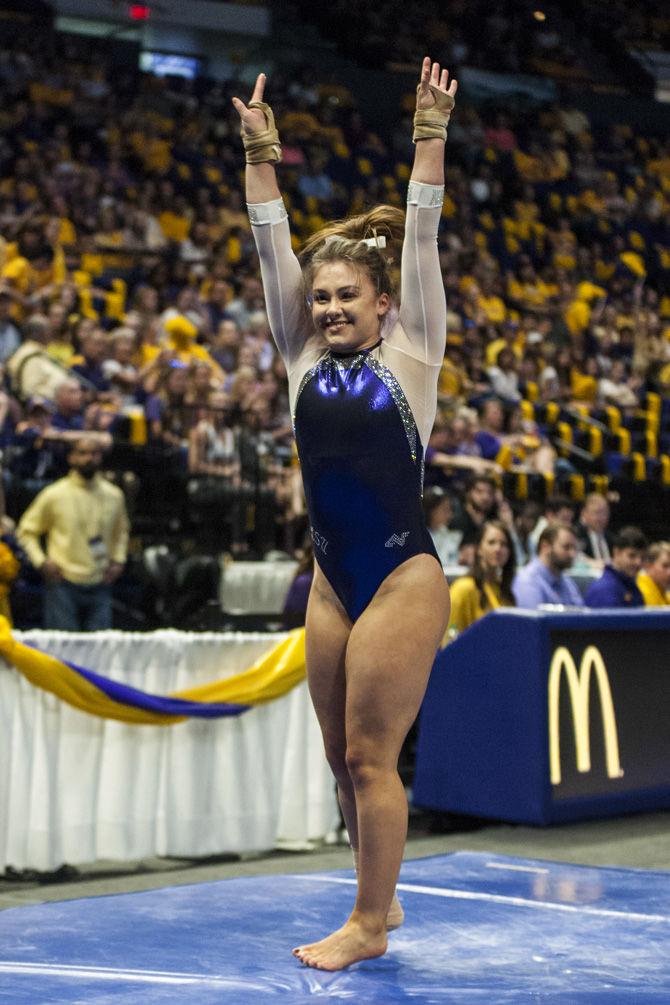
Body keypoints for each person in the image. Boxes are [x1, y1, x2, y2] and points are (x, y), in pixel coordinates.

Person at [233, 57, 456, 970]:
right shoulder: (297, 355)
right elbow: (266, 242)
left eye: (343, 297)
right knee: (338, 758)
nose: (326, 307)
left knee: (372, 757)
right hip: (332, 578)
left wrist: (429, 136)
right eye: (318, 297)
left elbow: (424, 240)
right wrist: (259, 152)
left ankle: (365, 924)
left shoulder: (415, 352)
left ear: (381, 306)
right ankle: (383, 896)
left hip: (402, 576)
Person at [17, 437, 129, 630]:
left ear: (101, 457)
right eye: (83, 453)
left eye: (94, 453)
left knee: (99, 651)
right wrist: (41, 561)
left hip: (100, 579)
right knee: (63, 651)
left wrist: (118, 560)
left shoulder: (114, 495)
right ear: (71, 458)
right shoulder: (54, 494)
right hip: (62, 581)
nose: (89, 458)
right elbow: (26, 531)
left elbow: (122, 532)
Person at [445, 520, 516, 637]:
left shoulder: (506, 592)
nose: (498, 549)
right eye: (491, 542)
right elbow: (449, 638)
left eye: (504, 544)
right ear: (478, 549)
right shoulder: (463, 588)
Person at [512, 524, 585, 608]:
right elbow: (532, 620)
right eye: (566, 547)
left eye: (574, 548)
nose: (572, 554)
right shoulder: (527, 582)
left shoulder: (566, 581)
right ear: (545, 546)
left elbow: (581, 615)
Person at [583, 526, 647, 608]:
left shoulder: (632, 587)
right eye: (632, 556)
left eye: (642, 557)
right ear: (617, 553)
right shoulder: (604, 591)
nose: (638, 562)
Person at [576, 492, 612, 565]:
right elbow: (574, 557)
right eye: (596, 513)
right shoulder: (576, 535)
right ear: (584, 513)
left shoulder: (611, 538)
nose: (601, 518)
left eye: (604, 513)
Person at [637, 541, 670, 606]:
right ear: (648, 566)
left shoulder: (659, 589)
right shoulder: (644, 593)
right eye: (665, 566)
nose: (669, 572)